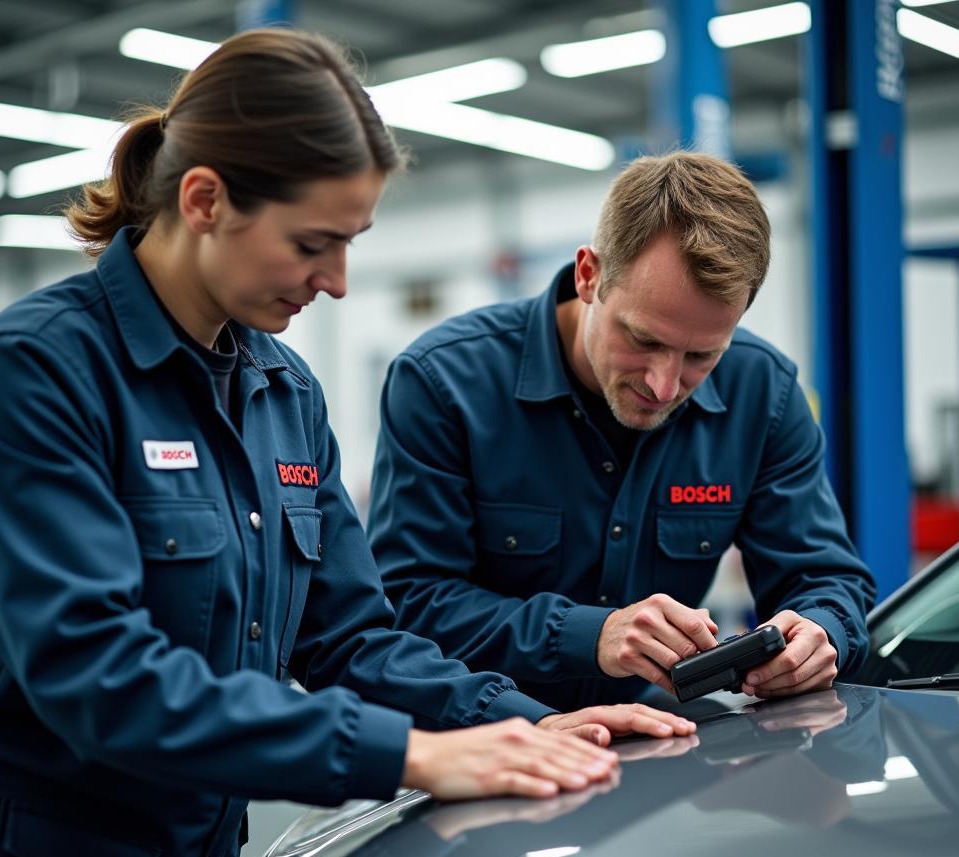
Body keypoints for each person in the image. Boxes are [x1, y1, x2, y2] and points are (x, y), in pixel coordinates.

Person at [0, 31, 694, 857]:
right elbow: (99, 677)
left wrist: (513, 719)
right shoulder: (37, 373)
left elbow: (347, 634)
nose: (337, 280)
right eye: (312, 242)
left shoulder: (279, 388)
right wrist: (410, 757)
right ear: (204, 200)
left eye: (352, 242)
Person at [368, 152, 876, 713]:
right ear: (589, 275)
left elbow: (824, 575)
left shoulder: (764, 393)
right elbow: (409, 603)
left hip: (656, 750)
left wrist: (819, 634)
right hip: (480, 740)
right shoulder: (445, 382)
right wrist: (590, 634)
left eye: (701, 355)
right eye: (643, 339)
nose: (663, 385)